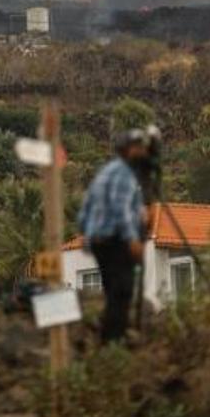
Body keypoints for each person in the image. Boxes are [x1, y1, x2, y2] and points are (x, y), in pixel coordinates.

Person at [77, 128, 149, 344]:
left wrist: (83, 231)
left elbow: (86, 205)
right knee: (123, 290)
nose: (144, 151)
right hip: (115, 239)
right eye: (139, 147)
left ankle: (109, 339)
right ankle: (113, 341)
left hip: (99, 240)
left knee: (112, 290)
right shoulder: (125, 173)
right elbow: (120, 209)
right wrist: (132, 239)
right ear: (130, 149)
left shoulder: (106, 170)